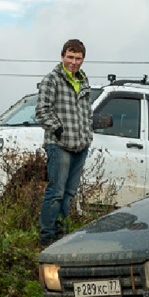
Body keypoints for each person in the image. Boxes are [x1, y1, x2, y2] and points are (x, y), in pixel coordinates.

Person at [36, 39, 93, 248]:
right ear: (62, 57)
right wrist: (57, 128)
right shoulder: (52, 80)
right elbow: (42, 110)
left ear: (83, 60)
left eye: (78, 58)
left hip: (80, 145)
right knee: (56, 192)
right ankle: (47, 238)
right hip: (59, 144)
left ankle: (62, 236)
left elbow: (88, 113)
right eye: (70, 57)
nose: (74, 62)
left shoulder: (85, 81)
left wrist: (88, 134)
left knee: (69, 194)